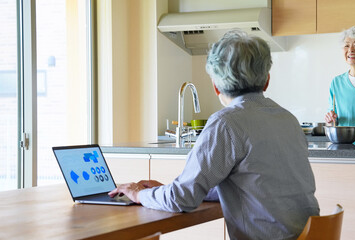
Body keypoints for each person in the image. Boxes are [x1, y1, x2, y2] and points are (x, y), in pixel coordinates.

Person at [109, 29, 319, 240]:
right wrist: (169, 190)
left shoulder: (226, 123)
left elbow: (182, 200)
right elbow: (255, 186)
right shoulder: (288, 119)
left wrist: (139, 194)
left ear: (216, 86)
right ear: (267, 81)